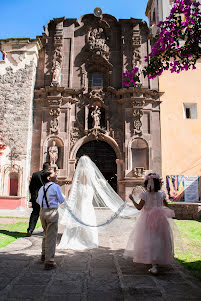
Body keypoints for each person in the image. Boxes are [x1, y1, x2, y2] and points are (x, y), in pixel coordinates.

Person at [57, 155, 137, 250]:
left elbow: (74, 183)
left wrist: (70, 196)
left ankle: (77, 233)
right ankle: (88, 236)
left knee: (79, 209)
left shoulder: (78, 171)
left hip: (80, 190)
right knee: (87, 209)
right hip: (88, 190)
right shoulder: (90, 170)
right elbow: (93, 181)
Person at [124, 173, 175, 275]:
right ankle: (157, 260)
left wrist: (132, 199)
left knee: (148, 238)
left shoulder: (145, 195)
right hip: (160, 219)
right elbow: (166, 205)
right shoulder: (161, 195)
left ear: (147, 183)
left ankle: (152, 262)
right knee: (160, 238)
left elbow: (139, 207)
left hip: (146, 219)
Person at [36, 169, 65, 270]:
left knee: (45, 234)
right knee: (51, 237)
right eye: (54, 174)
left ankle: (44, 255)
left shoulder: (41, 188)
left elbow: (38, 201)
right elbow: (61, 200)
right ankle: (49, 261)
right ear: (49, 178)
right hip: (52, 212)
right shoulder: (55, 187)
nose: (56, 175)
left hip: (42, 212)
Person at [26, 162, 50, 237]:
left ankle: (30, 230)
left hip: (35, 197)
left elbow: (31, 186)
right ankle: (46, 231)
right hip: (44, 198)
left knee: (35, 213)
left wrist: (33, 195)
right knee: (46, 214)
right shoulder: (49, 175)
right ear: (49, 167)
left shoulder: (35, 174)